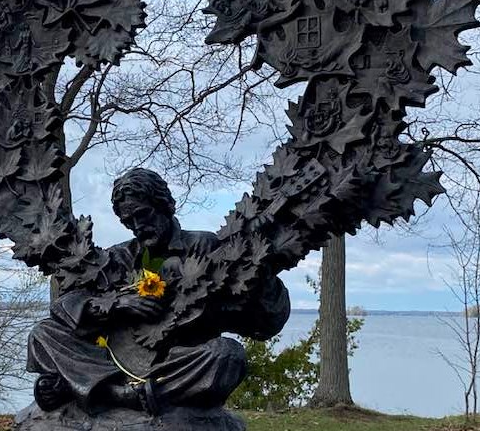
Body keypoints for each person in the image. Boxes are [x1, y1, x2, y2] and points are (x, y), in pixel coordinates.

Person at [28, 169, 287, 414]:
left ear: (164, 205)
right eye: (128, 221)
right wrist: (118, 304)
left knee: (228, 355)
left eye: (143, 215)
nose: (137, 226)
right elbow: (66, 305)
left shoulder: (207, 247)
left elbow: (266, 325)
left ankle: (105, 392)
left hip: (179, 362)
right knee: (43, 332)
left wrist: (260, 276)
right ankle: (114, 391)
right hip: (119, 363)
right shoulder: (121, 256)